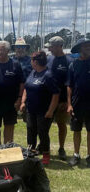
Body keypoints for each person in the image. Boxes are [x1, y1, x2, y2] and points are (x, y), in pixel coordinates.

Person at [20, 51, 59, 165]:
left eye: (32, 60)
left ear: (35, 62)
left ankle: (46, 153)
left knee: (42, 133)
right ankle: (30, 152)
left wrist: (51, 111)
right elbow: (27, 88)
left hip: (43, 111)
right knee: (30, 131)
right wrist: (23, 102)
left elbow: (56, 94)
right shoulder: (33, 72)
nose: (31, 62)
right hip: (31, 109)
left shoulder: (48, 75)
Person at [0, 40, 24, 145]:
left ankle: (7, 146)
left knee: (9, 125)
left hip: (11, 101)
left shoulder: (15, 64)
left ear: (8, 51)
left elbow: (22, 82)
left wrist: (19, 99)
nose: (0, 52)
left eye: (2, 49)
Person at [45, 36, 73, 161]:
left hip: (62, 101)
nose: (49, 49)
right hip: (48, 99)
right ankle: (44, 146)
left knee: (62, 125)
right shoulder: (49, 59)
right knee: (45, 125)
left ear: (59, 46)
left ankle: (61, 148)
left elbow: (70, 84)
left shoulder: (69, 61)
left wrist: (67, 102)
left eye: (51, 47)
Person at [66, 38, 90, 168]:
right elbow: (69, 86)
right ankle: (76, 155)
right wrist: (69, 104)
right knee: (76, 130)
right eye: (86, 46)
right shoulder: (73, 65)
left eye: (89, 46)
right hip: (77, 102)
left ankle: (89, 156)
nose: (88, 48)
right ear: (80, 49)